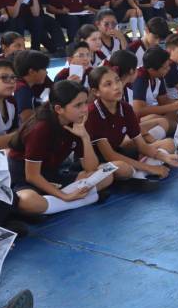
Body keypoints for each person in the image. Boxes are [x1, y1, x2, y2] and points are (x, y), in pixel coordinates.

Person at [8, 80, 117, 215]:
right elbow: (32, 176)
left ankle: (54, 205)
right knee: (28, 202)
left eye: (85, 103)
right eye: (78, 105)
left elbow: (90, 168)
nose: (85, 109)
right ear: (59, 109)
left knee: (106, 176)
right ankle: (84, 199)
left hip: (53, 175)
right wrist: (65, 196)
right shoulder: (40, 128)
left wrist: (85, 137)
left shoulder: (76, 122)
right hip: (25, 180)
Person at [86, 66, 178, 181]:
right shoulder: (92, 113)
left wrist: (165, 157)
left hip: (120, 152)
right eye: (108, 84)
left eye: (117, 80)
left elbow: (141, 145)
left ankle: (139, 173)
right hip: (101, 163)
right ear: (96, 91)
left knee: (169, 143)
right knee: (122, 168)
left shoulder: (125, 108)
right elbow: (109, 156)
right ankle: (142, 170)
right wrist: (149, 168)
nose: (116, 87)